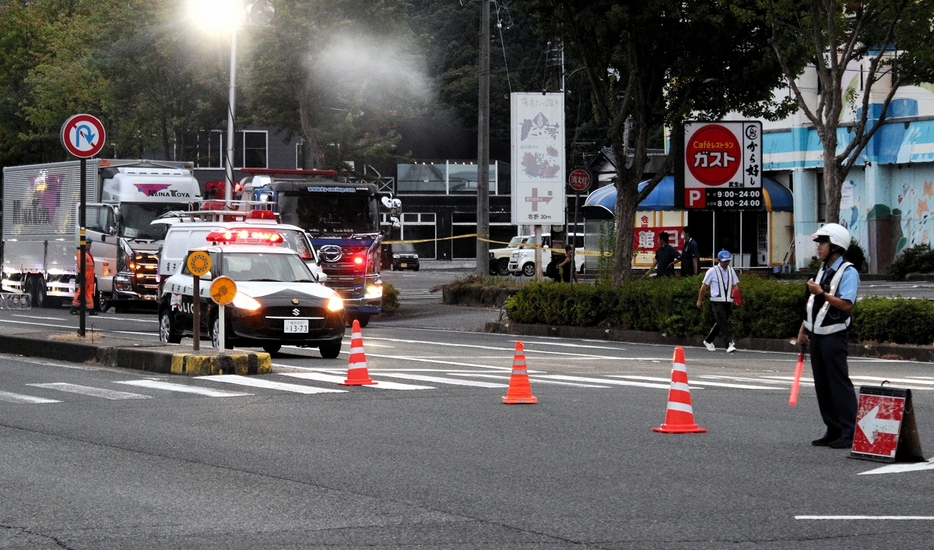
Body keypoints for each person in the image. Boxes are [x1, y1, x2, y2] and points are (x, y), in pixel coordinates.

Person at [796, 223, 860, 450]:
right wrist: (804, 329)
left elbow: (847, 304)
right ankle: (833, 429)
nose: (818, 247)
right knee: (822, 385)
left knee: (839, 384)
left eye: (822, 243)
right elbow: (812, 303)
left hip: (834, 336)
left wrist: (822, 293)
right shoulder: (822, 269)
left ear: (835, 246)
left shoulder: (848, 271)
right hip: (817, 335)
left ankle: (849, 432)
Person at [697, 250, 738, 352]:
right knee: (723, 320)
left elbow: (735, 285)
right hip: (716, 300)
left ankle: (708, 340)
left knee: (722, 321)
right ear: (718, 260)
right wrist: (699, 300)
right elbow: (704, 286)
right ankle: (728, 344)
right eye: (724, 261)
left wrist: (737, 299)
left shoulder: (731, 270)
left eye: (728, 261)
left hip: (728, 299)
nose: (726, 263)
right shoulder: (712, 271)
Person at [71, 241, 97, 315]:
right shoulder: (82, 253)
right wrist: (81, 274)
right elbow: (80, 265)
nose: (89, 245)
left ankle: (91, 309)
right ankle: (74, 308)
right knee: (80, 292)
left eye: (90, 243)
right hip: (85, 276)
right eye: (88, 243)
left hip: (89, 277)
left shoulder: (87, 253)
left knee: (88, 293)